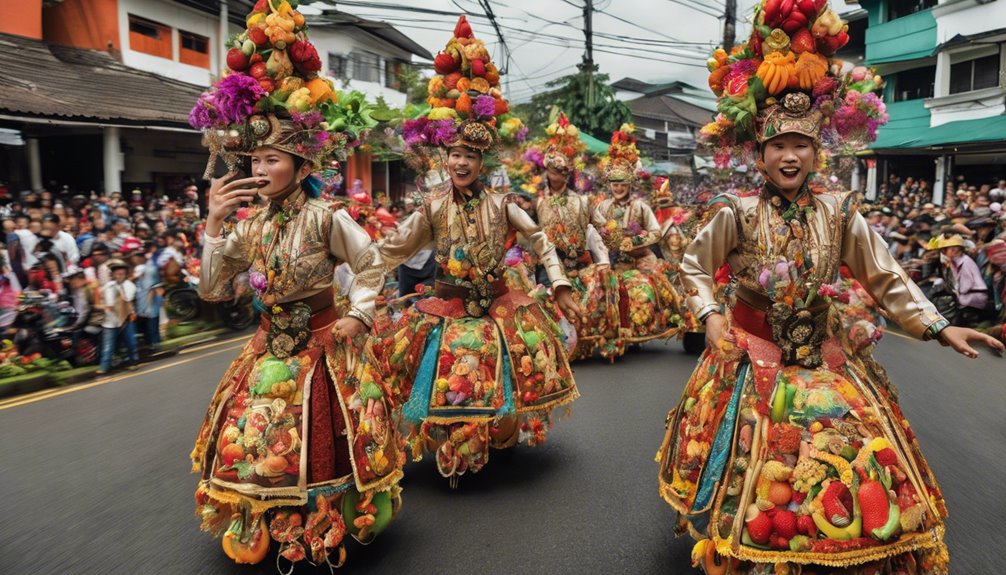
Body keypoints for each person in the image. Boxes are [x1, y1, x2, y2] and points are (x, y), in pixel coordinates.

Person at [657, 9, 1004, 574]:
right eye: (778, 146)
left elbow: (885, 275)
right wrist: (711, 316)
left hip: (825, 353)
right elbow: (693, 267)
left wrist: (939, 326)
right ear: (759, 154)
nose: (789, 155)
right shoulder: (735, 214)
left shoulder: (841, 213)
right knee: (756, 457)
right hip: (751, 349)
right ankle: (757, 548)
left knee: (857, 447)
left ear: (818, 154)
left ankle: (849, 546)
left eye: (801, 145)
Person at [186, 4, 402, 568]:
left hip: (325, 342)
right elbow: (212, 289)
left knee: (325, 437)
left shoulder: (327, 216)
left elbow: (372, 261)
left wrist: (358, 313)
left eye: (272, 158)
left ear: (302, 166)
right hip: (267, 345)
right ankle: (263, 516)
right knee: (259, 434)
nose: (259, 169)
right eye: (254, 158)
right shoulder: (249, 224)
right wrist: (211, 226)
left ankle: (327, 519)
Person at [369, 16, 581, 486]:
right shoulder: (432, 208)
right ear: (445, 159)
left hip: (498, 302)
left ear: (483, 162)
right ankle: (451, 439)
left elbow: (540, 241)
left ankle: (498, 434)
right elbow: (390, 250)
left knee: (505, 369)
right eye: (454, 154)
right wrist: (359, 290)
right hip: (446, 304)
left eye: (470, 155)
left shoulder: (505, 205)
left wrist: (560, 283)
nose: (460, 162)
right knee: (439, 375)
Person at [595, 125, 681, 354]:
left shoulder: (641, 207)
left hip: (640, 262)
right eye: (615, 184)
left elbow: (656, 232)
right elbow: (595, 231)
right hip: (612, 263)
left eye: (623, 184)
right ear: (609, 185)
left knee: (641, 292)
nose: (619, 188)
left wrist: (635, 242)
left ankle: (639, 330)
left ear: (630, 185)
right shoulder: (602, 207)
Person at [534, 119, 616, 360]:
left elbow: (603, 230)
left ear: (569, 173)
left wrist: (609, 254)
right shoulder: (537, 201)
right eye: (554, 170)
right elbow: (529, 237)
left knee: (604, 288)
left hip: (580, 264)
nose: (559, 175)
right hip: (548, 267)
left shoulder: (583, 201)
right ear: (546, 171)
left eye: (563, 171)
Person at [937, 234, 990, 326]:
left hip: (973, 296)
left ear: (954, 250)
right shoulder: (955, 262)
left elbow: (966, 285)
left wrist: (957, 295)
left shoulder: (965, 262)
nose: (943, 253)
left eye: (945, 250)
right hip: (967, 295)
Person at [97, 258, 137, 374]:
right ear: (113, 274)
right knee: (108, 346)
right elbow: (104, 300)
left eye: (122, 274)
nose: (120, 276)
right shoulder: (108, 286)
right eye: (118, 273)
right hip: (110, 320)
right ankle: (104, 368)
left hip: (126, 318)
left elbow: (128, 299)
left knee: (131, 342)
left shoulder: (129, 285)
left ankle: (133, 362)